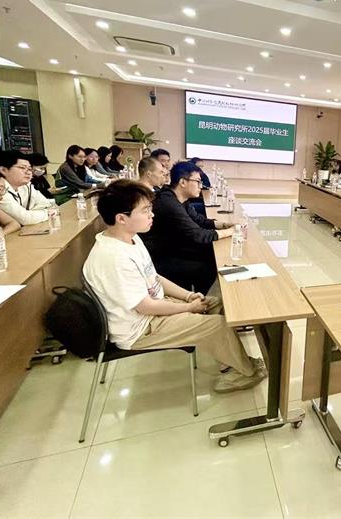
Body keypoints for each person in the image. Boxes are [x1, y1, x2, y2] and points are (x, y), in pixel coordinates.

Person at [82, 180, 264, 393]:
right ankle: (246, 372)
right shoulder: (113, 258)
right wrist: (188, 308)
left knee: (215, 304)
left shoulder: (130, 238)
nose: (152, 215)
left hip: (152, 309)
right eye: (145, 210)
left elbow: (153, 277)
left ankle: (232, 362)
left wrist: (188, 297)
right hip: (141, 328)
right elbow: (146, 307)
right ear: (121, 218)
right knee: (217, 325)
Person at [141, 162, 234, 295]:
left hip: (173, 246)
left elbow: (199, 220)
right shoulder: (168, 202)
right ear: (183, 182)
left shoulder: (179, 198)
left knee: (208, 252)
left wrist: (224, 225)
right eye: (197, 181)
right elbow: (198, 234)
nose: (201, 186)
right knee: (206, 267)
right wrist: (231, 232)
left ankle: (199, 296)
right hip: (160, 256)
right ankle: (196, 299)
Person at [0, 150, 55, 225]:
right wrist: (48, 212)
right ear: (4, 170)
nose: (28, 172)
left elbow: (48, 204)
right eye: (22, 168)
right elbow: (26, 219)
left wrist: (29, 213)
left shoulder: (26, 185)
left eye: (29, 169)